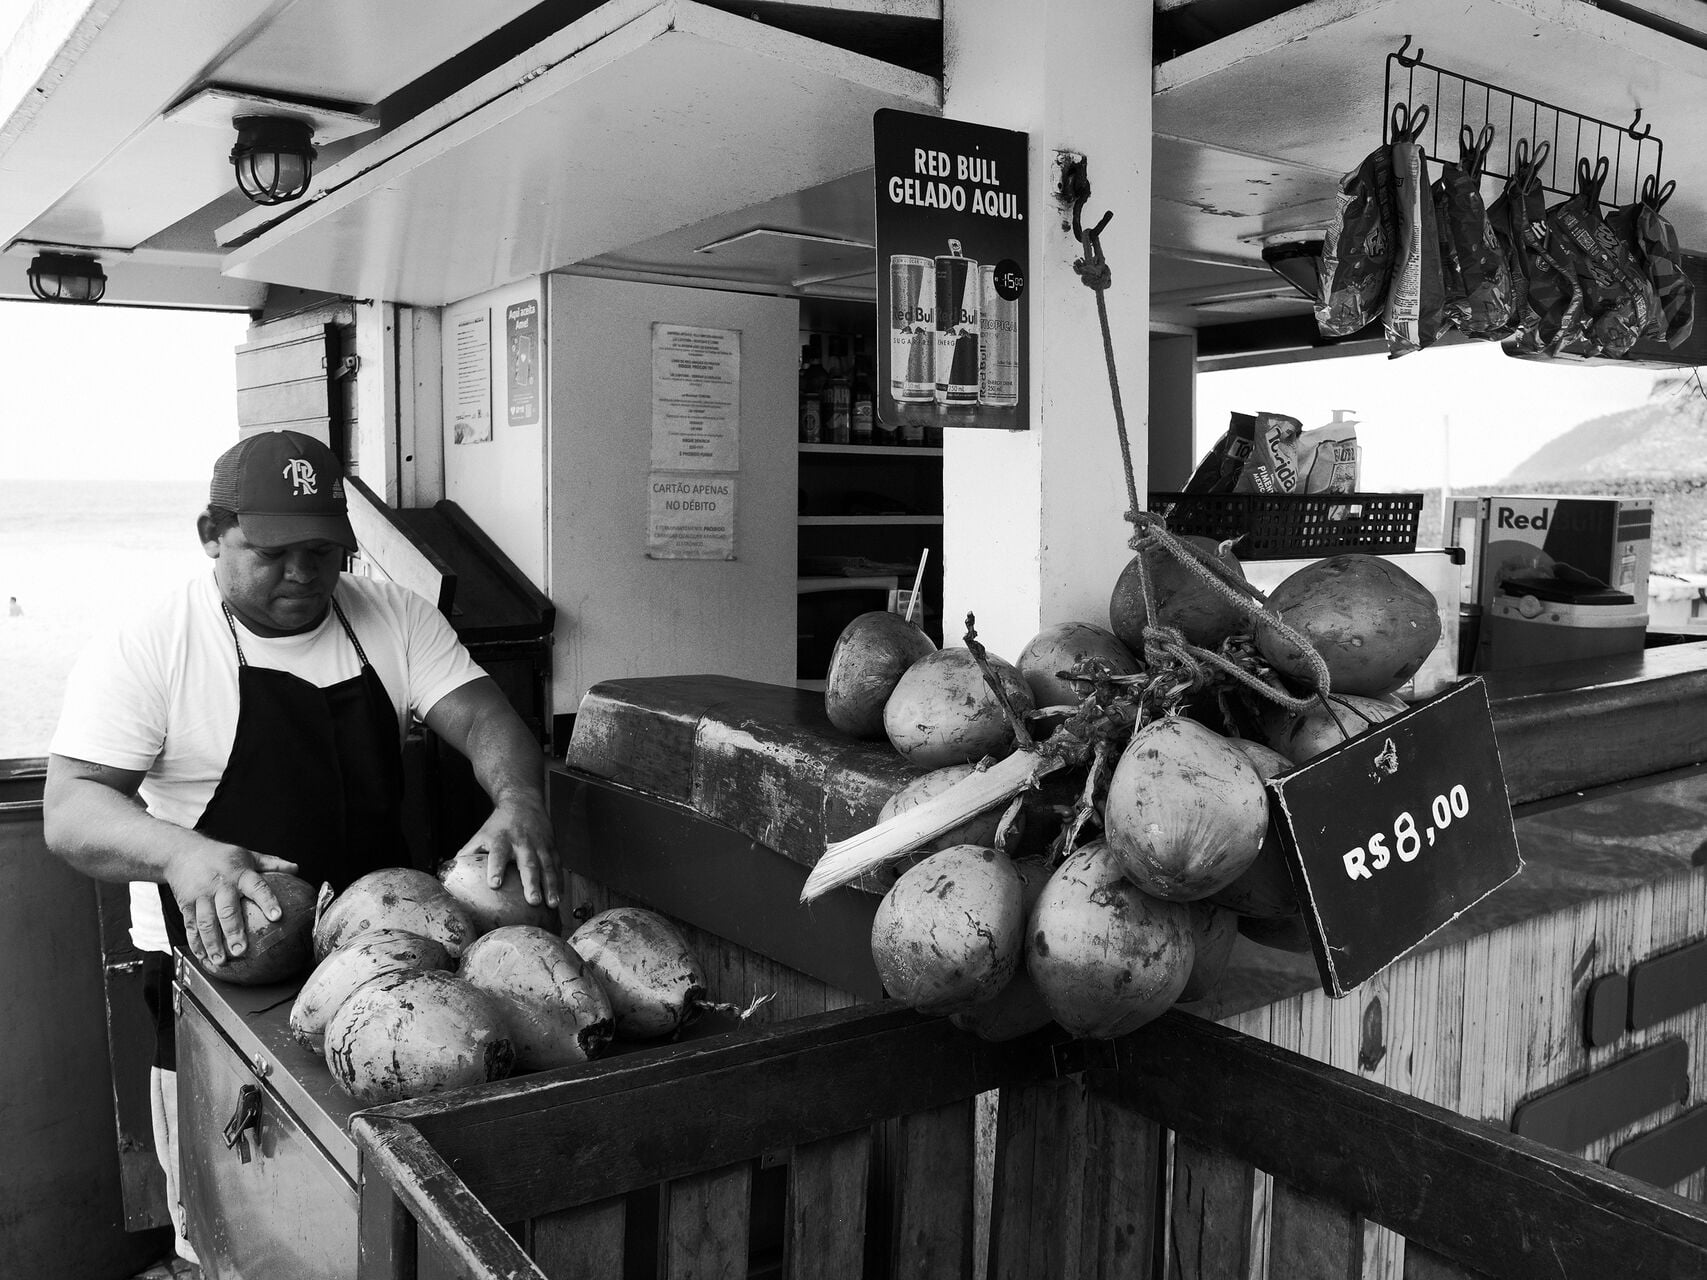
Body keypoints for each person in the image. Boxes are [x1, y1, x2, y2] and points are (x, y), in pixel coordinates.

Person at [43, 430, 560, 1277]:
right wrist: (183, 856)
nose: (302, 574)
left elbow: (485, 719)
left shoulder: (390, 614)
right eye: (273, 551)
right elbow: (71, 809)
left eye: (322, 551)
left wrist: (519, 798)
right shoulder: (150, 641)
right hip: (227, 971)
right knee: (237, 1207)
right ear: (210, 534)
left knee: (381, 1202)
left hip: (388, 955)